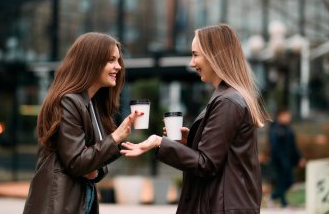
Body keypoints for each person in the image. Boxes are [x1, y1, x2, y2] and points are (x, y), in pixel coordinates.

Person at [121, 24, 270, 214]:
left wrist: (159, 142)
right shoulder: (228, 97)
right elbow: (221, 154)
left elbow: (206, 164)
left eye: (195, 54)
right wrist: (193, 140)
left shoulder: (227, 101)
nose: (192, 63)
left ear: (215, 55)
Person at [23, 32, 141, 214]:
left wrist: (95, 167)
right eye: (111, 60)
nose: (118, 66)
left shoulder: (92, 104)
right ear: (91, 61)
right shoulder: (69, 101)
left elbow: (94, 164)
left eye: (118, 60)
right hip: (59, 205)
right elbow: (77, 162)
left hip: (79, 202)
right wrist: (116, 137)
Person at [268, 108, 306, 207]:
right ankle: (276, 198)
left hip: (288, 161)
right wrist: (283, 161)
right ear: (280, 116)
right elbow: (276, 148)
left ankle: (278, 199)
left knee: (289, 181)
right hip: (279, 162)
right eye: (286, 115)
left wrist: (299, 158)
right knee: (282, 181)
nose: (289, 117)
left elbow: (293, 147)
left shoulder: (289, 129)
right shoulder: (276, 129)